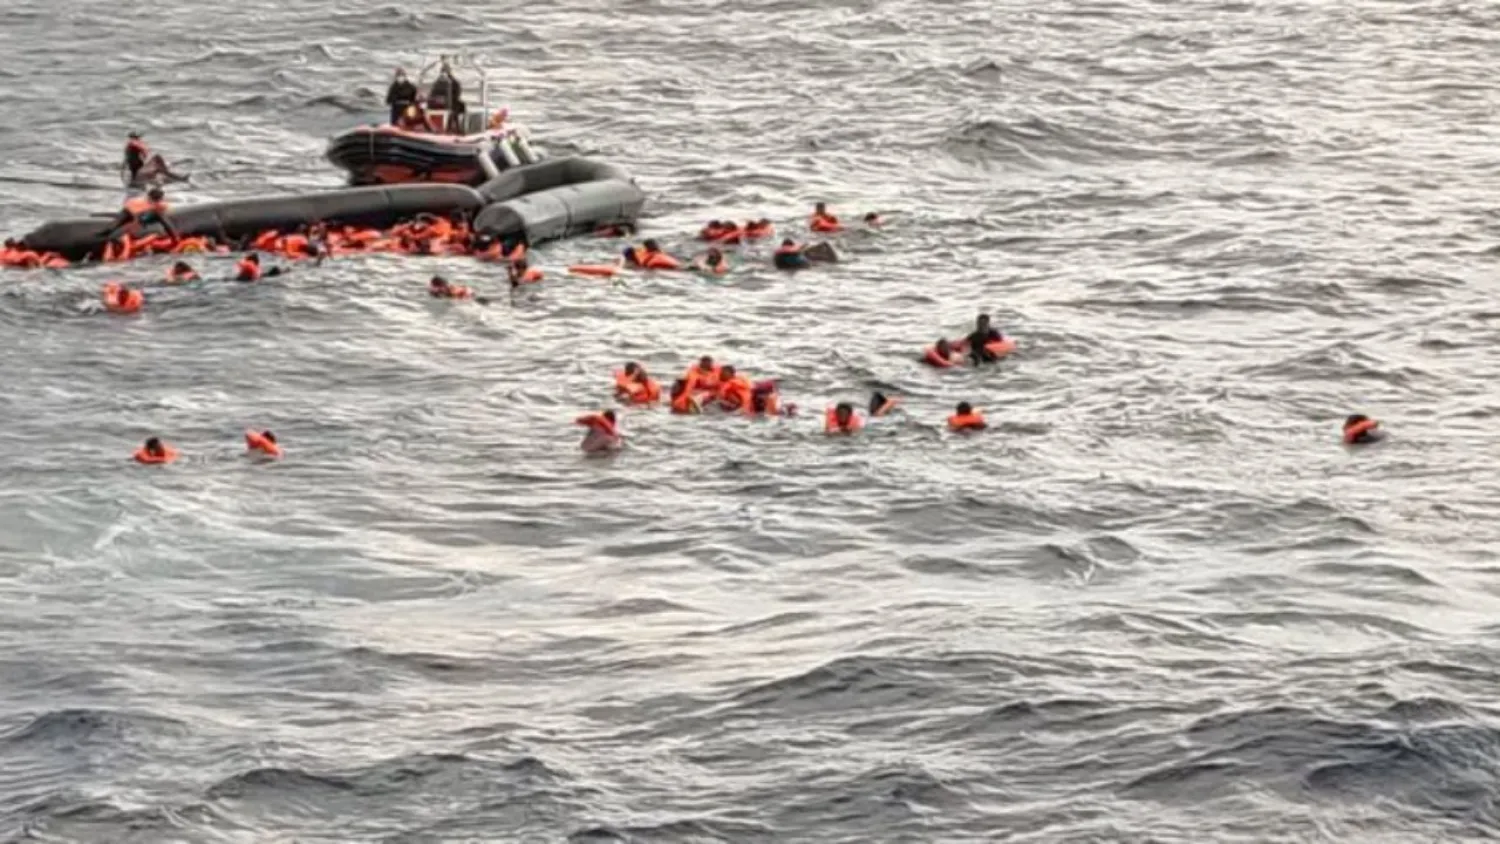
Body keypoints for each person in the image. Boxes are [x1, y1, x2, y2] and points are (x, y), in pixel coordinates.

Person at [106, 186, 178, 242]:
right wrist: (135, 225)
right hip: (131, 214)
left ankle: (174, 237)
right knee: (158, 215)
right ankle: (175, 237)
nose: (156, 201)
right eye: (156, 200)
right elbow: (133, 214)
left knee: (159, 215)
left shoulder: (159, 204)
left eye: (158, 200)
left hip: (136, 215)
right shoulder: (139, 202)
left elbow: (164, 208)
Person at [121, 132, 187, 187]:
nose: (140, 139)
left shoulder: (129, 146)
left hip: (134, 164)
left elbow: (127, 158)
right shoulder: (133, 143)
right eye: (138, 137)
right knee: (158, 164)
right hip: (136, 164)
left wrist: (124, 167)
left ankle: (178, 178)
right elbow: (144, 149)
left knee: (157, 167)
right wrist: (145, 155)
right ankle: (179, 178)